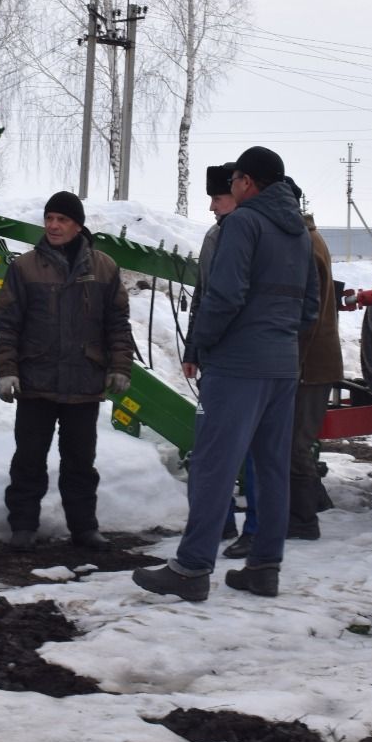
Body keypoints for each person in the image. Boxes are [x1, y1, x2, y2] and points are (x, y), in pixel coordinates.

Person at [133, 146, 319, 601]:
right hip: (281, 365)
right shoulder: (299, 234)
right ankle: (263, 568)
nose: (231, 186)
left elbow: (225, 294)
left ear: (247, 182)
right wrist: (278, 338)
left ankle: (192, 569)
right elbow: (311, 305)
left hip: (238, 366)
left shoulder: (243, 224)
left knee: (214, 465)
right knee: (271, 467)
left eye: (235, 179)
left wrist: (204, 343)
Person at [0, 191, 135, 552]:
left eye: (62, 220)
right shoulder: (24, 267)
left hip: (84, 381)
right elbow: (7, 324)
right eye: (49, 218)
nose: (53, 226)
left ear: (78, 226)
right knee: (28, 459)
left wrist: (120, 366)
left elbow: (117, 324)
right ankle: (22, 527)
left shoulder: (104, 268)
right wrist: (6, 370)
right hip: (36, 381)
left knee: (81, 463)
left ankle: (84, 528)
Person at [182, 163, 256, 551]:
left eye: (217, 198)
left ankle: (255, 532)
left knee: (248, 451)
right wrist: (195, 347)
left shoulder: (251, 234)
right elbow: (204, 295)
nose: (212, 206)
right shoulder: (216, 236)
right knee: (211, 447)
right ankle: (221, 522)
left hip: (241, 362)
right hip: (217, 357)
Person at [289, 210, 343, 539]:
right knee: (295, 442)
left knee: (296, 444)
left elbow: (307, 315)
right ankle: (311, 506)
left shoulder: (306, 244)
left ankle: (305, 520)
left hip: (312, 363)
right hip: (313, 361)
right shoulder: (310, 238)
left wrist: (293, 361)